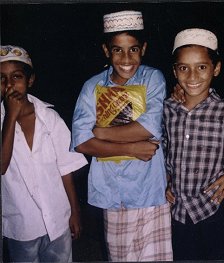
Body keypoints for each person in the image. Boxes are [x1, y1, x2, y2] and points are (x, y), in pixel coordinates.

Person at [70, 10, 172, 262]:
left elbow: (148, 128)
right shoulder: (92, 86)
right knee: (121, 257)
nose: (126, 58)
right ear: (106, 51)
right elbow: (82, 142)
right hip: (112, 189)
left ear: (143, 48)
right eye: (118, 50)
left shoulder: (153, 78)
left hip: (150, 190)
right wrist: (132, 149)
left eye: (133, 49)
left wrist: (101, 133)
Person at [163, 28, 224, 260]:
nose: (192, 76)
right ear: (175, 71)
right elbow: (163, 151)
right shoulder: (167, 109)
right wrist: (168, 179)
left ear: (216, 69)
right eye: (184, 68)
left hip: (218, 208)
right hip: (179, 212)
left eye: (201, 67)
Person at [1, 45, 87, 262]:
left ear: (30, 80)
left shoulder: (50, 118)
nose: (9, 84)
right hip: (21, 225)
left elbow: (65, 169)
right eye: (2, 78)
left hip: (58, 219)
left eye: (17, 77)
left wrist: (75, 212)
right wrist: (10, 117)